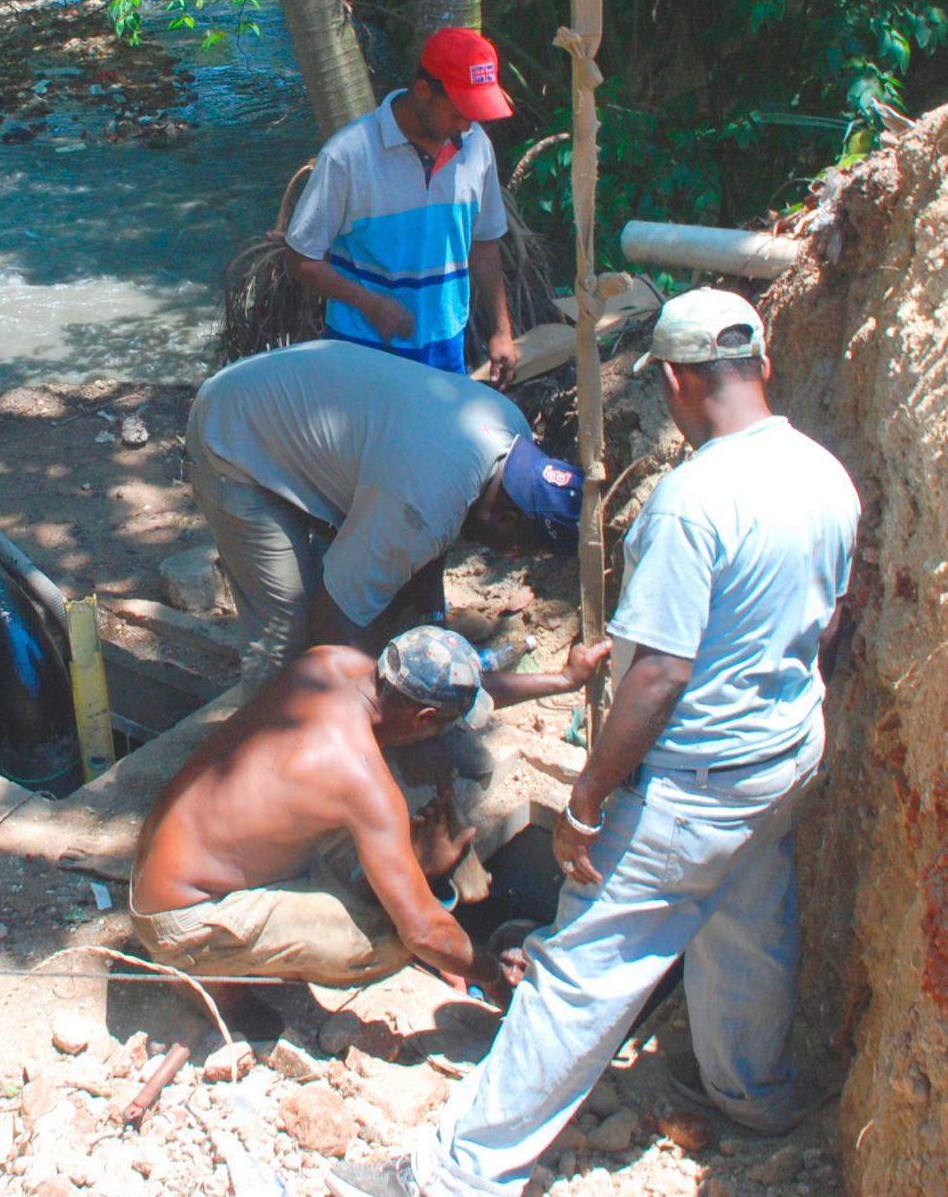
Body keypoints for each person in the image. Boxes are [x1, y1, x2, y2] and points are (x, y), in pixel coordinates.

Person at [324, 290, 860, 1197]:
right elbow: (833, 617)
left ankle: (452, 1175)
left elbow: (657, 677)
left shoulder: (694, 502)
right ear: (761, 365)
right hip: (785, 755)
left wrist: (583, 803)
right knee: (749, 925)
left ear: (679, 381)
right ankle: (750, 1093)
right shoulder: (826, 474)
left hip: (691, 785)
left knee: (579, 977)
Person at [130, 626, 611, 991]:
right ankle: (212, 978)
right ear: (423, 717)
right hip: (182, 921)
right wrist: (487, 968)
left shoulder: (331, 664)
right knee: (388, 941)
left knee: (396, 798)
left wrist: (564, 680)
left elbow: (454, 693)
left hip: (160, 862)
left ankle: (396, 873)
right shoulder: (361, 782)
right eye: (441, 724)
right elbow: (424, 934)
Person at [186, 339, 583, 673]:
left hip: (294, 406)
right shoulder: (423, 504)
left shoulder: (510, 431)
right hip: (236, 432)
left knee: (381, 609)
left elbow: (437, 530)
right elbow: (333, 620)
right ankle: (269, 751)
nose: (511, 556)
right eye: (520, 549)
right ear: (507, 518)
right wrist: (405, 728)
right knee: (287, 645)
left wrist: (433, 622)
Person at [282, 28, 520, 385]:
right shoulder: (347, 156)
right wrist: (370, 304)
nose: (468, 124)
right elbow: (301, 259)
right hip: (358, 351)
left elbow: (484, 244)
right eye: (459, 112)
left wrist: (501, 330)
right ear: (422, 91)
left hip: (445, 349)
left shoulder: (476, 147)